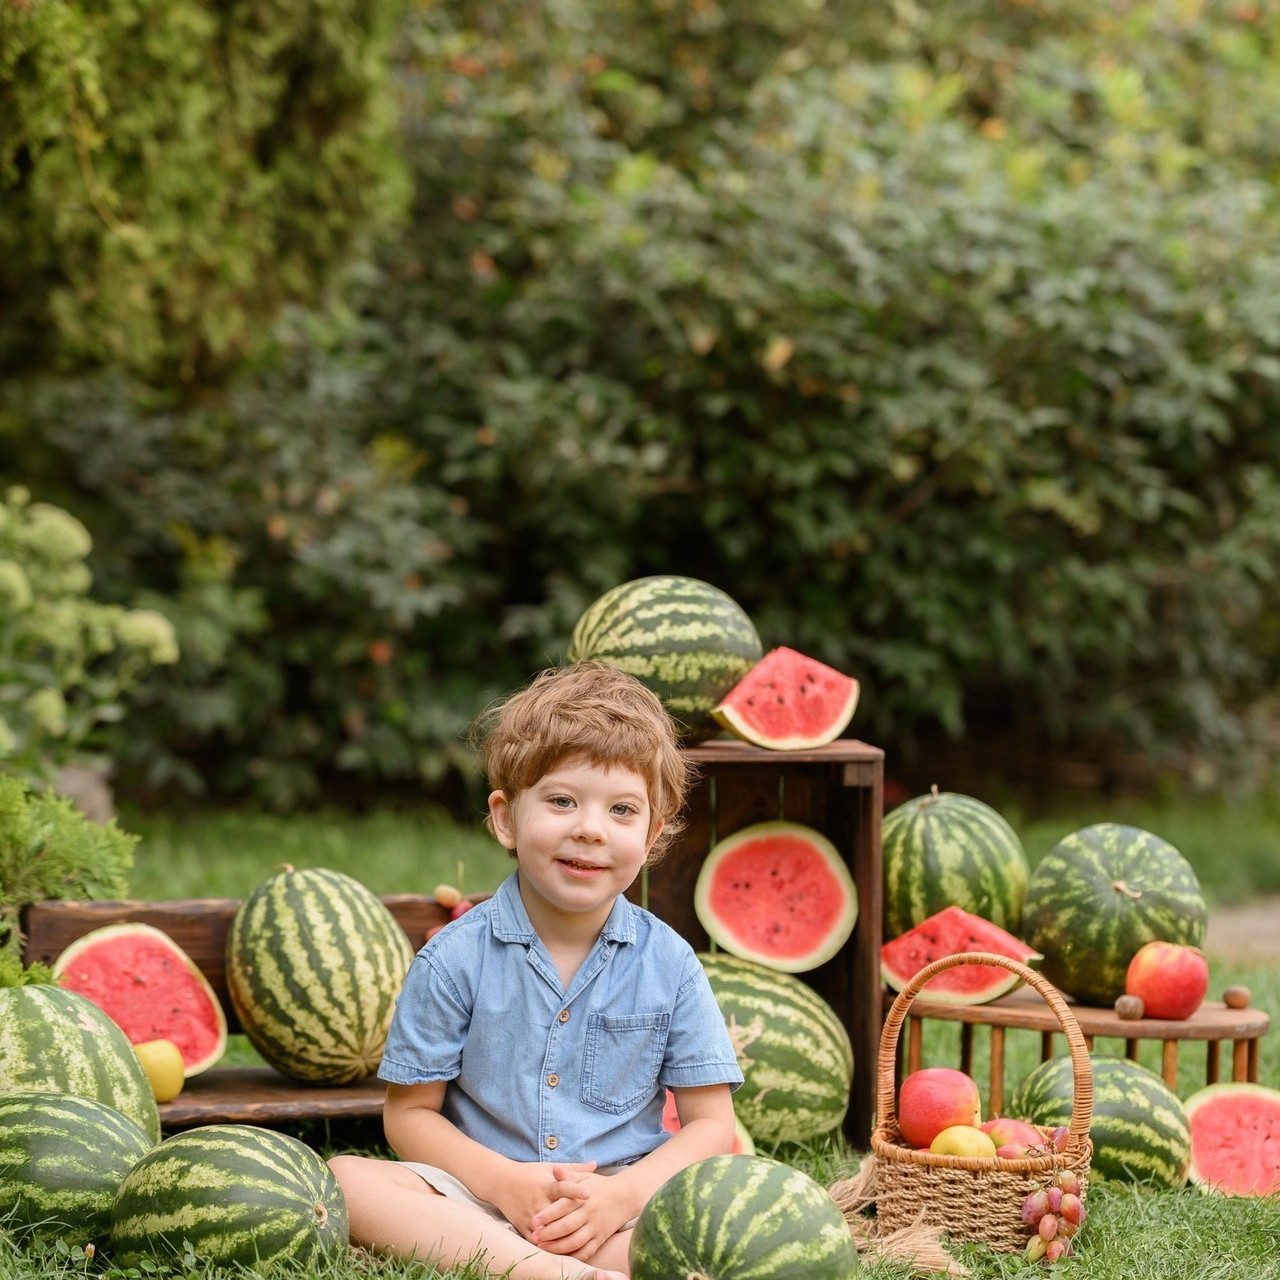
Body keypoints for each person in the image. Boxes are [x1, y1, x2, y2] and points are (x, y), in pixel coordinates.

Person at [329, 660, 744, 1280]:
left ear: (654, 835)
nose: (589, 829)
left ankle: (540, 1267)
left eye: (622, 811)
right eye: (561, 800)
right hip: (478, 1203)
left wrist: (622, 1198)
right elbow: (408, 1115)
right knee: (346, 1181)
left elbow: (712, 1125)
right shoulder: (452, 959)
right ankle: (551, 1271)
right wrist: (504, 1184)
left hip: (621, 1208)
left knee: (729, 1226)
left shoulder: (671, 963)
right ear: (505, 818)